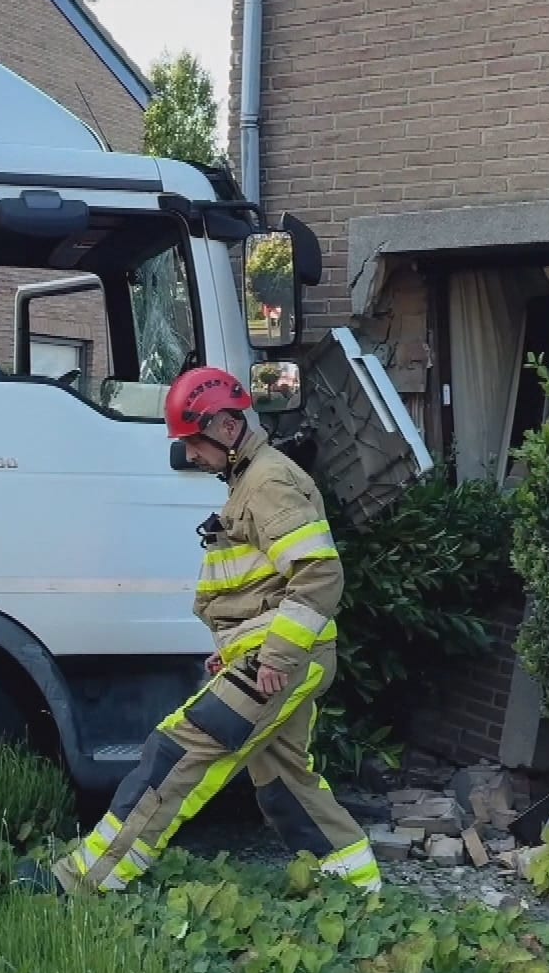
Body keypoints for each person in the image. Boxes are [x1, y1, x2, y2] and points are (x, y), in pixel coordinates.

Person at [28, 365, 381, 897]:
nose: (189, 455)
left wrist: (276, 657)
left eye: (194, 441)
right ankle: (354, 885)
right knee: (284, 777)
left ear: (224, 426)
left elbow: (319, 572)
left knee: (177, 754)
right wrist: (240, 649)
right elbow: (263, 585)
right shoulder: (252, 480)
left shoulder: (267, 482)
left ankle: (87, 879)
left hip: (281, 662)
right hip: (273, 656)